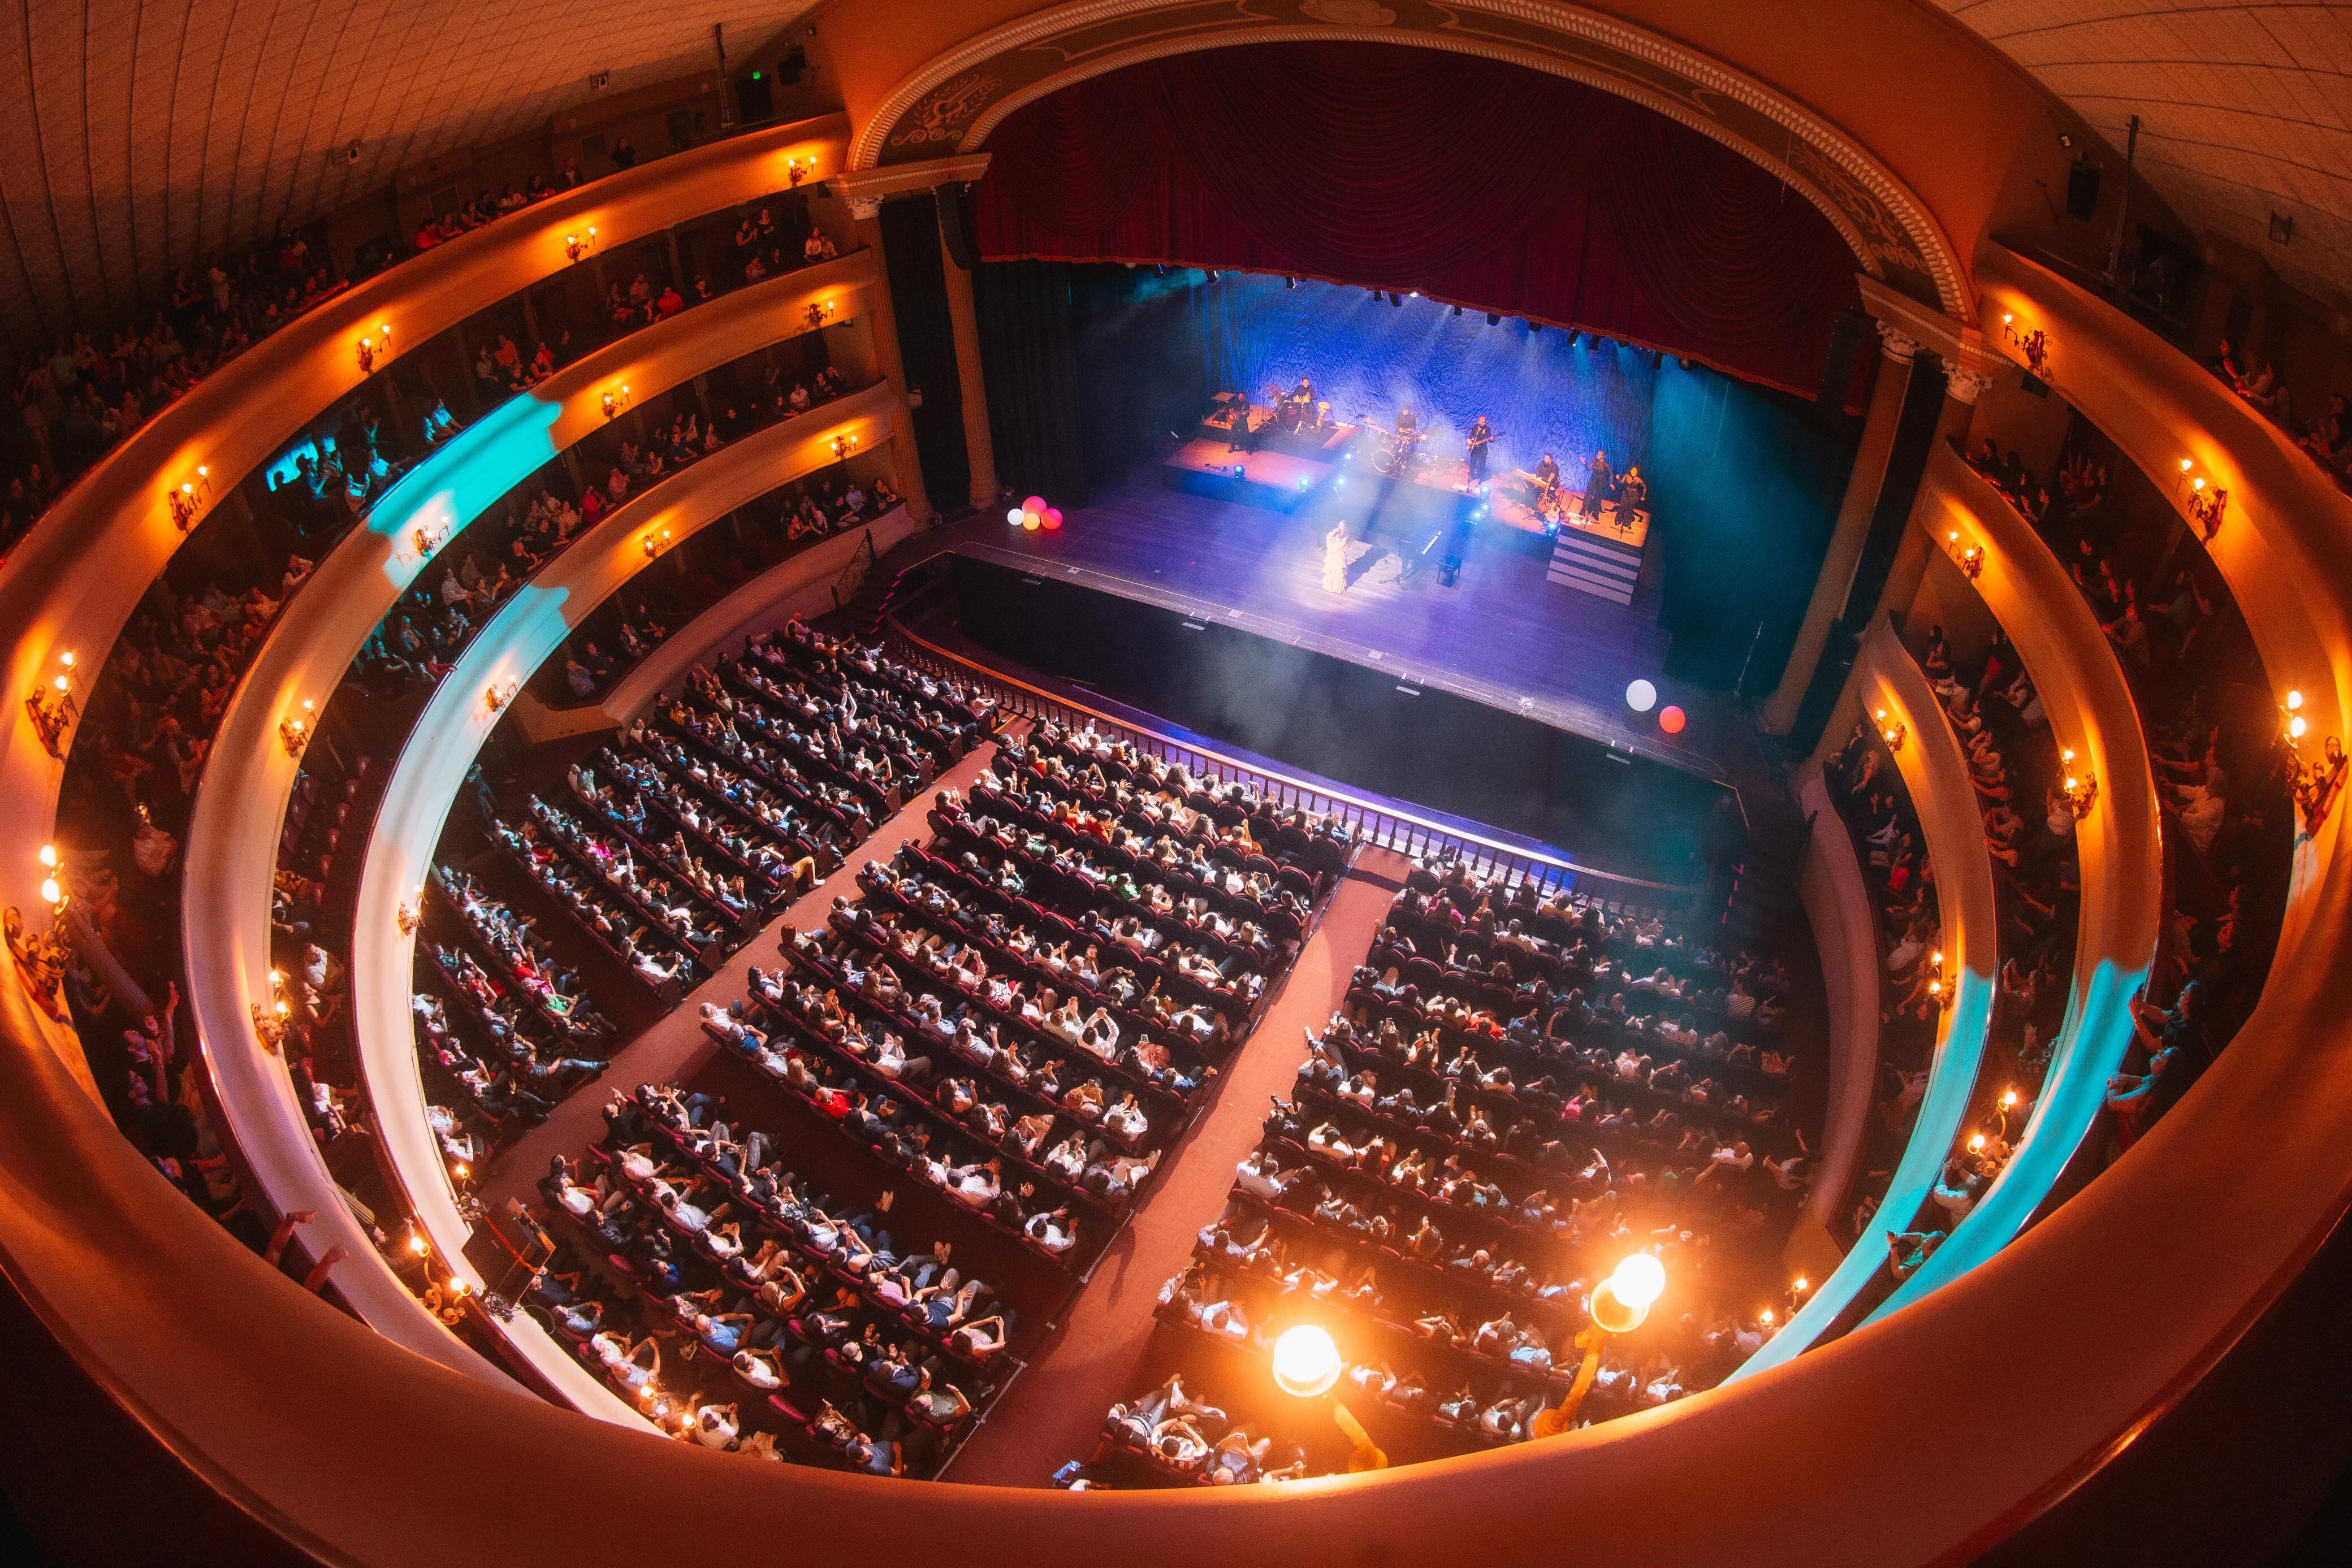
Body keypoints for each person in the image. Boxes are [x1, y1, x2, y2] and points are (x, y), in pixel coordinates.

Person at [1464, 415, 1494, 484]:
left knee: (1481, 464)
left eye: (1485, 422)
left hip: (1483, 449)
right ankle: (1471, 476)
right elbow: (1471, 435)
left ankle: (1480, 478)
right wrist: (1469, 440)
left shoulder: (1487, 429)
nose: (1484, 423)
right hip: (1475, 449)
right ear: (1479, 421)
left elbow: (1490, 439)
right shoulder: (1474, 427)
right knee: (1473, 463)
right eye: (1482, 422)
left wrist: (1492, 440)